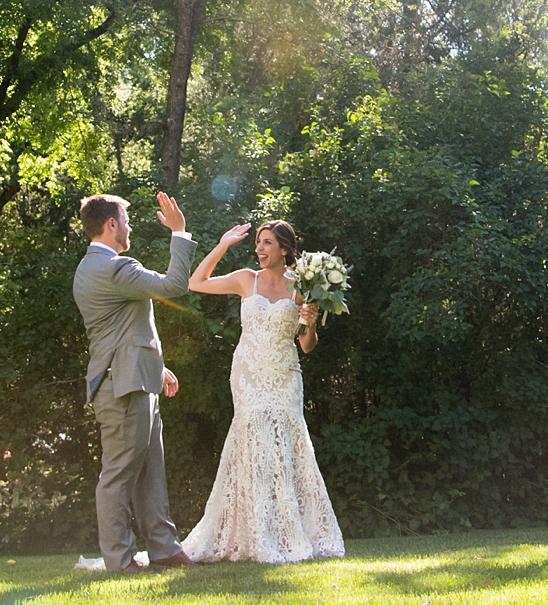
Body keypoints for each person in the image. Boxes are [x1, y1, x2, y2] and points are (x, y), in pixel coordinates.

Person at [180, 219, 345, 563]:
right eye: (258, 242)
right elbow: (196, 282)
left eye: (267, 242)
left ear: (284, 249)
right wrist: (224, 243)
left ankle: (288, 534)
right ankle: (254, 535)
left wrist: (311, 323)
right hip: (248, 375)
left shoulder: (300, 287)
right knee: (254, 442)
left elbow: (306, 346)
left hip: (285, 376)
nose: (259, 248)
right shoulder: (245, 280)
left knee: (286, 448)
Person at [72, 191, 199, 573]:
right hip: (123, 386)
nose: (129, 229)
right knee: (119, 475)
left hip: (134, 378)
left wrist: (157, 368)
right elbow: (175, 285)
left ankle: (164, 549)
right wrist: (179, 233)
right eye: (125, 222)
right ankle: (120, 559)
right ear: (111, 224)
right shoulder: (114, 268)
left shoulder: (89, 267)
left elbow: (121, 329)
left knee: (150, 473)